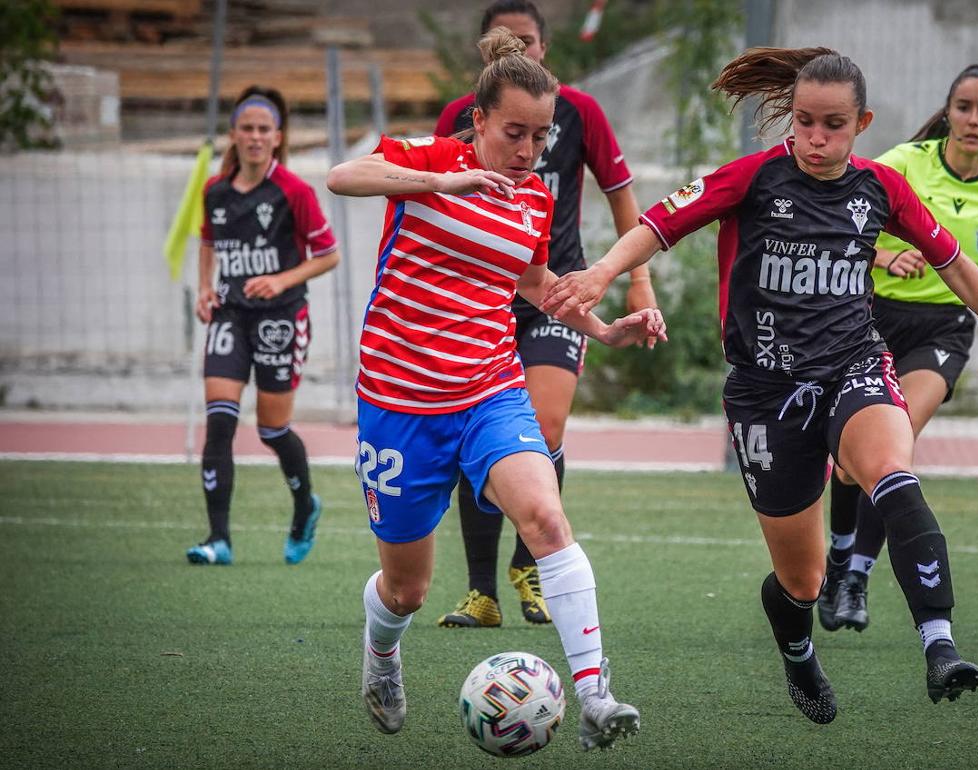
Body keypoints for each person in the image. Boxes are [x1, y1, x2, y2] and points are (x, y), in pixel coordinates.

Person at [541, 47, 978, 721]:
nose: (816, 138)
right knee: (801, 580)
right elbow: (657, 225)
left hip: (854, 366)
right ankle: (797, 653)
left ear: (861, 123)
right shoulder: (753, 178)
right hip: (763, 392)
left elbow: (957, 268)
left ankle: (940, 643)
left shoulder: (881, 187)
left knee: (892, 470)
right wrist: (603, 272)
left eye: (833, 125)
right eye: (806, 122)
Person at [326, 27, 661, 749]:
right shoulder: (431, 157)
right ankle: (382, 654)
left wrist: (606, 332)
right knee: (407, 589)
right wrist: (442, 182)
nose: (527, 150)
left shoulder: (534, 198)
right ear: (478, 120)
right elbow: (342, 177)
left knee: (544, 516)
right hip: (400, 403)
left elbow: (535, 284)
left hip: (489, 390)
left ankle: (596, 693)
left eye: (540, 137)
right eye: (514, 132)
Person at [432, 0, 658, 630]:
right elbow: (424, 194)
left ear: (545, 47)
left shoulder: (579, 113)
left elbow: (622, 196)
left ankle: (529, 561)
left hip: (555, 291)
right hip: (482, 294)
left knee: (547, 426)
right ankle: (481, 592)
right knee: (476, 436)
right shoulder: (460, 120)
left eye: (527, 42)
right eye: (505, 44)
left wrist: (637, 282)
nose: (519, 54)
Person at [819, 64, 978, 634]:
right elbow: (838, 216)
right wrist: (880, 256)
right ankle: (838, 555)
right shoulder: (904, 162)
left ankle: (855, 576)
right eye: (965, 107)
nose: (974, 119)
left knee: (891, 447)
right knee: (850, 465)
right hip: (871, 319)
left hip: (944, 330)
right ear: (948, 112)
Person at [188, 85, 340, 567]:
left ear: (277, 138)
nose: (255, 137)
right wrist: (205, 288)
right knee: (219, 423)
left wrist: (280, 280)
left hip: (280, 320)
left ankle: (303, 507)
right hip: (231, 314)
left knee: (272, 430)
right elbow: (208, 241)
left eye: (264, 130)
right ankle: (218, 539)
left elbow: (328, 255)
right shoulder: (215, 190)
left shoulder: (294, 191)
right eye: (247, 129)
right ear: (233, 134)